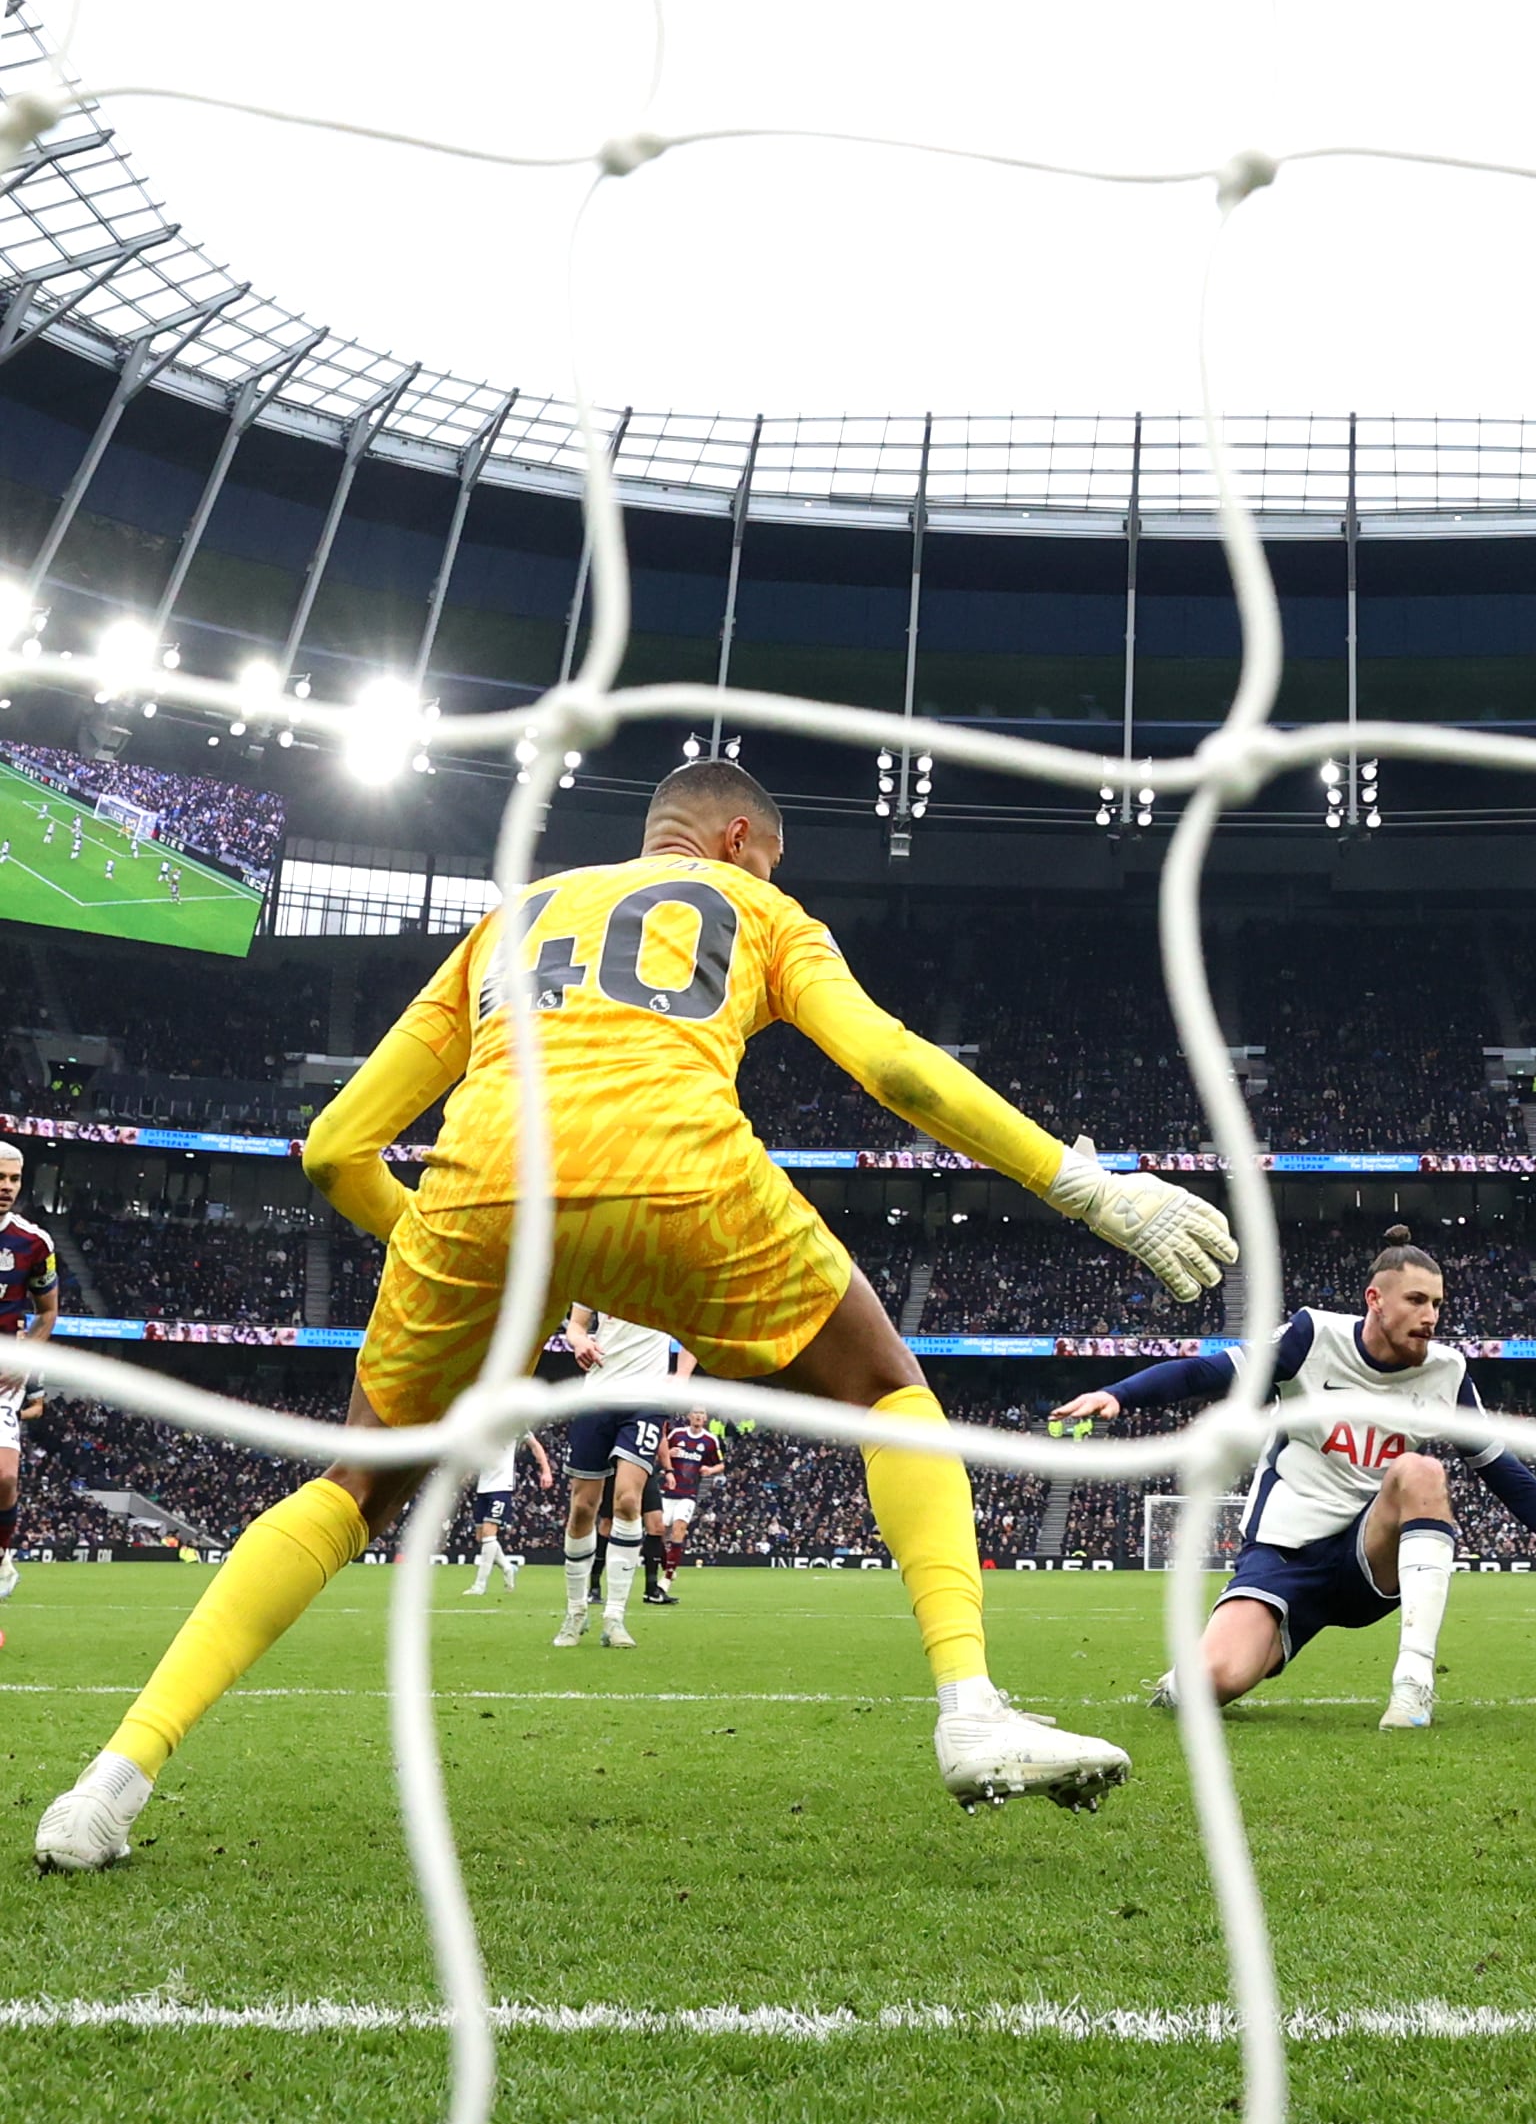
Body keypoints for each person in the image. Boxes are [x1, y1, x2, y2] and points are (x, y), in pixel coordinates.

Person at [36, 759, 1239, 1874]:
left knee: (353, 1488)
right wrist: (1088, 1189)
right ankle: (970, 1712)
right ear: (737, 842)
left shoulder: (508, 919)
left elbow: (336, 1146)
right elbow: (896, 1068)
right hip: (680, 1174)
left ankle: (108, 1783)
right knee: (888, 1397)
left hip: (479, 1188)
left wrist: (449, 1247)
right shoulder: (757, 910)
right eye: (768, 859)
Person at [1059, 1227, 1536, 1732]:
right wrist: (1117, 1395)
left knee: (1421, 1469)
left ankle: (1413, 1682)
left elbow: (1512, 1481)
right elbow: (1205, 1373)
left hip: (1368, 1557)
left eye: (1438, 1303)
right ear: (1375, 1299)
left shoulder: (1445, 1375)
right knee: (1209, 1685)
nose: (1432, 1316)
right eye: (1416, 1300)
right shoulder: (1310, 1338)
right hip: (1285, 1553)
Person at [552, 1307, 692, 1648]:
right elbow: (577, 1326)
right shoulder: (597, 1272)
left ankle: (614, 1617)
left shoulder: (667, 1276)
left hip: (646, 1401)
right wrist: (579, 1341)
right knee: (583, 1507)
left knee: (628, 1501)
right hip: (598, 1395)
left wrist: (682, 1374)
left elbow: (697, 1328)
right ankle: (575, 1611)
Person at [0, 1138, 56, 1603]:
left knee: (4, 1477)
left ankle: (1, 1557)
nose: (7, 1186)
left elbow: (47, 1313)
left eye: (14, 1179)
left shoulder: (33, 1243)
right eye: (0, 1177)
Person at [461, 1423, 555, 1596]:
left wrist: (546, 1470)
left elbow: (535, 1445)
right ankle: (507, 1568)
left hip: (501, 1487)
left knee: (489, 1534)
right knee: (481, 1536)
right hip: (483, 1486)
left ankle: (479, 1585)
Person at [657, 1407, 726, 1589]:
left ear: (705, 1418)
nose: (698, 1415)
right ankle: (667, 1565)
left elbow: (721, 1465)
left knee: (679, 1530)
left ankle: (666, 1579)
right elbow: (661, 1450)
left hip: (688, 1494)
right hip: (668, 1490)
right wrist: (668, 1455)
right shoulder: (677, 1435)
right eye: (695, 1412)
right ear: (689, 1416)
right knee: (659, 1533)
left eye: (701, 1413)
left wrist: (710, 1470)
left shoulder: (710, 1440)